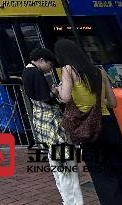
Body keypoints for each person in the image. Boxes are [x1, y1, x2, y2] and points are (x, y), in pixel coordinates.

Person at [53, 39, 122, 205]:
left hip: (89, 127)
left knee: (102, 173)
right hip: (108, 123)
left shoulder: (68, 69)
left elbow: (65, 97)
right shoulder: (99, 71)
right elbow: (113, 103)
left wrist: (58, 90)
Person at [22, 48, 83, 205]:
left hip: (43, 124)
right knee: (67, 168)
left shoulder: (27, 71)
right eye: (49, 64)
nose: (51, 68)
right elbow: (45, 97)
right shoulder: (35, 73)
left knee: (58, 167)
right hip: (53, 125)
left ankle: (67, 200)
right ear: (41, 60)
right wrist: (56, 91)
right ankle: (74, 202)